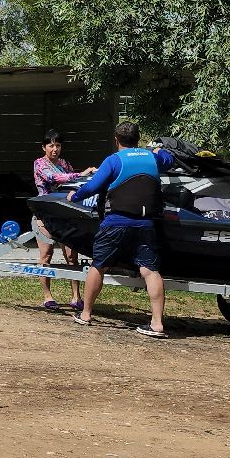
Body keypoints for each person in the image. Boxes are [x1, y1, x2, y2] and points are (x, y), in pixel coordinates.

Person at [66, 120, 176, 338]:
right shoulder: (152, 157)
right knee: (150, 271)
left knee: (99, 266)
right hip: (146, 225)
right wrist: (158, 151)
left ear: (116, 140)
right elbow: (169, 159)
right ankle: (156, 324)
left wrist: (74, 196)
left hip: (116, 223)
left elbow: (93, 186)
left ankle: (86, 313)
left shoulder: (114, 160)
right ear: (138, 139)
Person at [31, 129, 94, 310]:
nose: (55, 149)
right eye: (51, 145)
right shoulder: (39, 164)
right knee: (46, 255)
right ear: (44, 147)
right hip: (45, 215)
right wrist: (80, 174)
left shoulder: (64, 163)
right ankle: (48, 296)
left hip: (65, 215)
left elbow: (72, 184)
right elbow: (54, 178)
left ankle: (76, 296)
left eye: (58, 145)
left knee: (71, 256)